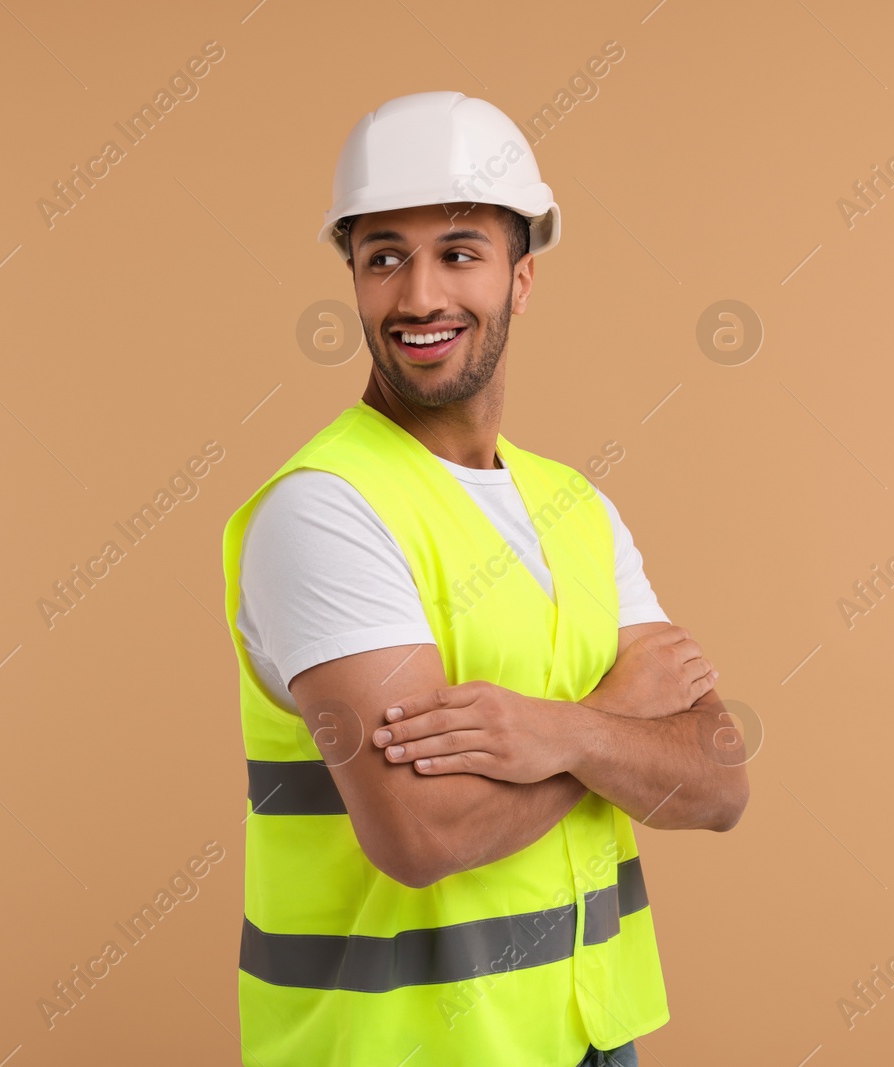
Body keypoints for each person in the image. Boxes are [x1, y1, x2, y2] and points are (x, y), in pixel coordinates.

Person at [219, 91, 750, 1067]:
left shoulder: (574, 507)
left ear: (521, 277)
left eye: (459, 252)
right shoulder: (325, 509)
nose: (419, 295)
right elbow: (420, 829)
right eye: (384, 255)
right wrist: (624, 722)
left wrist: (558, 727)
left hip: (592, 1037)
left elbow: (716, 778)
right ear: (352, 275)